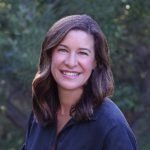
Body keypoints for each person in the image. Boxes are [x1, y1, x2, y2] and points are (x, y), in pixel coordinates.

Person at [21, 14, 138, 150]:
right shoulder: (41, 112)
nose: (71, 62)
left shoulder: (112, 126)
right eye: (63, 50)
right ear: (50, 54)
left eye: (82, 53)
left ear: (96, 62)